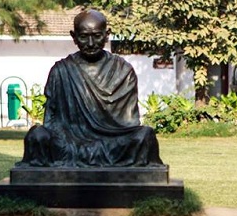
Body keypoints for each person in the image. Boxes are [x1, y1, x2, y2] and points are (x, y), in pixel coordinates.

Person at [16, 9, 165, 167]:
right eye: (84, 37)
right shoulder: (61, 70)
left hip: (113, 141)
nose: (91, 43)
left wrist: (98, 141)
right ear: (74, 37)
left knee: (144, 135)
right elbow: (51, 122)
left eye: (97, 36)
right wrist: (72, 139)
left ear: (107, 35)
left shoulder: (123, 70)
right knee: (37, 135)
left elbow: (129, 122)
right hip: (70, 141)